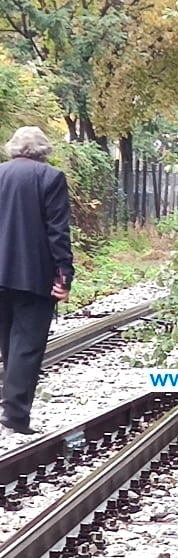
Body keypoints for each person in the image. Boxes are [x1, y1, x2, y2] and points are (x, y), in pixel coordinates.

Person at [0, 126, 73, 435]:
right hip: (34, 275)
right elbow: (58, 231)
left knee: (8, 343)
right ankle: (14, 414)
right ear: (45, 151)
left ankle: (10, 406)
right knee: (26, 347)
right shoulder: (50, 178)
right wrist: (64, 275)